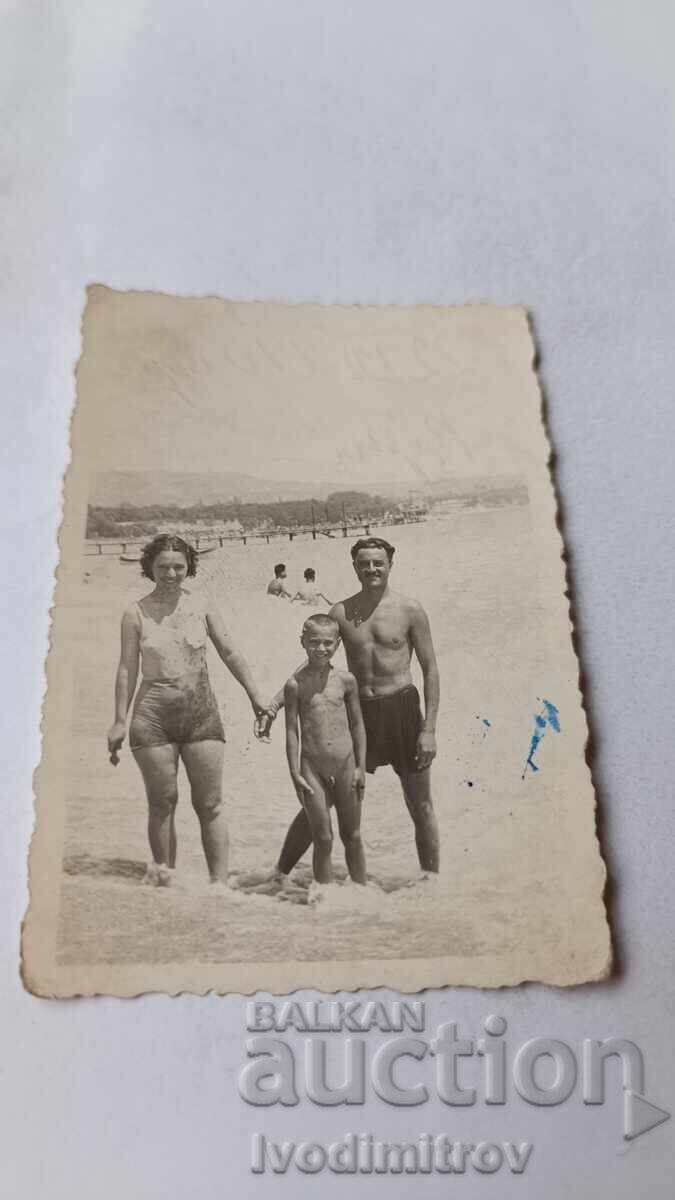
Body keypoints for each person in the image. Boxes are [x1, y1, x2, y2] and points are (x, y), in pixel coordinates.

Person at [259, 536, 440, 879]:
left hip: (402, 710)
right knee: (321, 801)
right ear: (354, 566)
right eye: (364, 563)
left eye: (378, 563)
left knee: (420, 803)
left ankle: (431, 884)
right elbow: (315, 664)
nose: (371, 569)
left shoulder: (410, 609)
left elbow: (431, 670)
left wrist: (428, 729)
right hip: (358, 715)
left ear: (390, 564)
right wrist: (273, 706)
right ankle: (278, 874)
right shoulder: (341, 612)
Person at [107, 534, 267, 887]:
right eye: (163, 566)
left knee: (210, 805)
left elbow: (231, 653)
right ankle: (165, 883)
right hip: (152, 718)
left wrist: (255, 697)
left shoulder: (203, 605)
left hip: (201, 715)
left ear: (189, 568)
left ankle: (219, 887)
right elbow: (126, 669)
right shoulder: (135, 613)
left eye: (179, 567)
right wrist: (119, 720)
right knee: (163, 803)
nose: (171, 574)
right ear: (149, 567)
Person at [284, 613, 367, 887]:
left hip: (346, 764)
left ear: (338, 644)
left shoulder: (346, 681)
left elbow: (357, 725)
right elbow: (292, 732)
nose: (321, 648)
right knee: (323, 837)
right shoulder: (295, 684)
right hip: (312, 768)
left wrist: (360, 767)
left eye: (328, 643)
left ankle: (361, 889)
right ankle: (325, 895)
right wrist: (295, 773)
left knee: (352, 835)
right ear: (302, 642)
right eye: (314, 642)